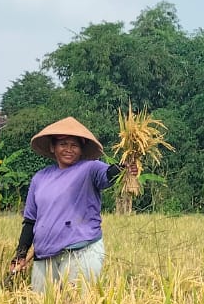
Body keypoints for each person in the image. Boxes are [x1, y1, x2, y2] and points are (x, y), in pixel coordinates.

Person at [9, 116, 132, 292]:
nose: (69, 149)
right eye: (63, 144)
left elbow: (107, 175)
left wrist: (122, 168)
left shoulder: (90, 168)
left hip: (81, 252)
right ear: (53, 147)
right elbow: (30, 221)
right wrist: (21, 253)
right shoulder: (40, 178)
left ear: (81, 149)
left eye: (74, 145)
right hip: (45, 255)